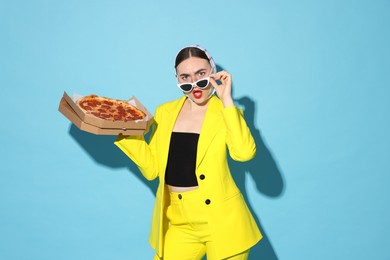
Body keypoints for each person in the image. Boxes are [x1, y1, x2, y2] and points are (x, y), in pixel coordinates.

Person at [115, 45, 262, 260]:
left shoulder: (226, 112)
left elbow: (244, 153)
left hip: (222, 221)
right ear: (177, 78)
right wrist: (124, 129)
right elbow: (152, 169)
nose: (195, 84)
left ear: (212, 72)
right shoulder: (165, 112)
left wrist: (227, 100)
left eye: (201, 74)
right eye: (185, 77)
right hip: (180, 220)